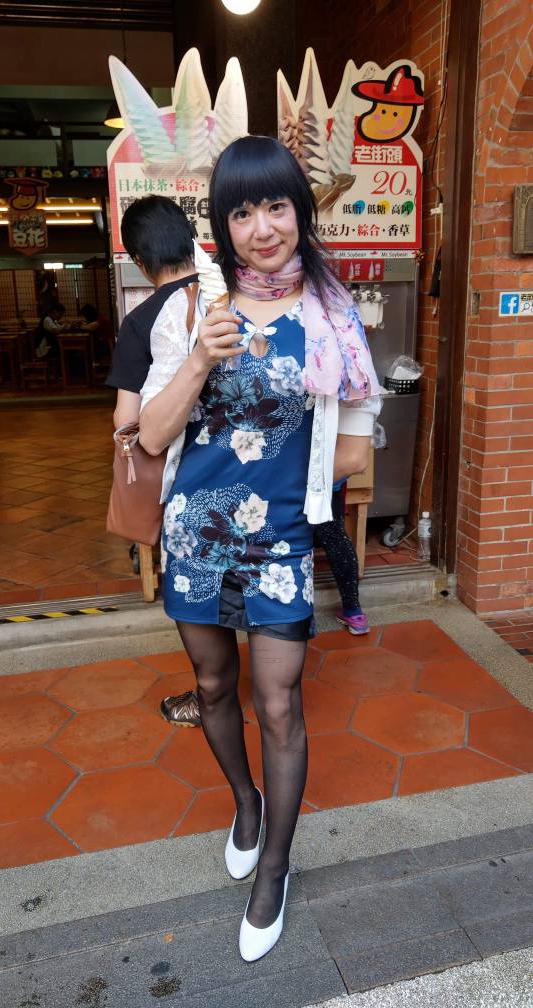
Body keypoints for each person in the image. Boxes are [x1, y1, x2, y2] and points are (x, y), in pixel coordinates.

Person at [138, 135, 381, 961]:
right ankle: (244, 802)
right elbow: (152, 435)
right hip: (195, 532)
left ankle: (273, 866)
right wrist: (200, 360)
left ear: (300, 211)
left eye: (276, 205)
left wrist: (284, 464)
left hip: (278, 536)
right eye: (242, 212)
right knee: (212, 684)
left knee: (279, 704)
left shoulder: (334, 316)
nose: (262, 227)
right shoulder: (189, 309)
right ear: (223, 226)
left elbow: (356, 451)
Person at [106, 196, 201, 728]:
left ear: (140, 260)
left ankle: (209, 698)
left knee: (197, 599)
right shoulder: (235, 299)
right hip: (250, 478)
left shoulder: (143, 321)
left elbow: (128, 421)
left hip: (182, 486)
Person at [314, 477, 369, 633]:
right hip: (326, 483)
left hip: (288, 485)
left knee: (289, 541)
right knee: (337, 540)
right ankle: (353, 612)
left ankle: (291, 615)